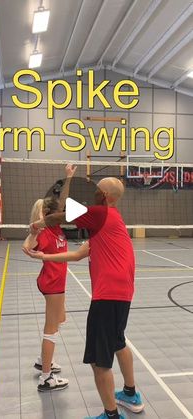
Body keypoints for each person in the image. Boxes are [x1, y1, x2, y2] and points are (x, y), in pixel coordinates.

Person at [27, 177, 144, 418]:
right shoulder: (109, 221)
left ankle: (111, 414)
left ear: (107, 196)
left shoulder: (101, 213)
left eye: (97, 189)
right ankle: (130, 394)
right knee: (118, 342)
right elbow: (80, 254)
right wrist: (44, 257)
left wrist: (37, 224)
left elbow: (61, 214)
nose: (93, 192)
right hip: (122, 293)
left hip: (108, 295)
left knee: (99, 362)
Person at [23, 164, 77, 392]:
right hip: (52, 284)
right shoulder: (43, 231)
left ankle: (42, 359)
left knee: (59, 320)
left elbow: (63, 203)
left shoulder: (55, 229)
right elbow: (29, 243)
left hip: (57, 284)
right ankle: (46, 377)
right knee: (51, 328)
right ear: (46, 215)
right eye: (55, 212)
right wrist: (29, 245)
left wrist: (68, 178)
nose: (61, 213)